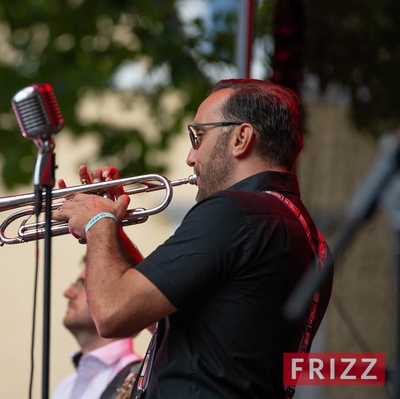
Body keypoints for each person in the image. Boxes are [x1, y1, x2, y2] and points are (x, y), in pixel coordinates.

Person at [54, 78, 333, 399]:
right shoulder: (307, 234)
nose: (190, 157)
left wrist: (97, 222)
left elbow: (112, 315)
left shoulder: (234, 211)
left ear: (241, 138)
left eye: (198, 137)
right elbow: (168, 323)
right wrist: (112, 233)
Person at [52, 256, 142, 399]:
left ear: (117, 300)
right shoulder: (64, 387)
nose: (68, 292)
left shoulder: (140, 380)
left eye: (82, 284)